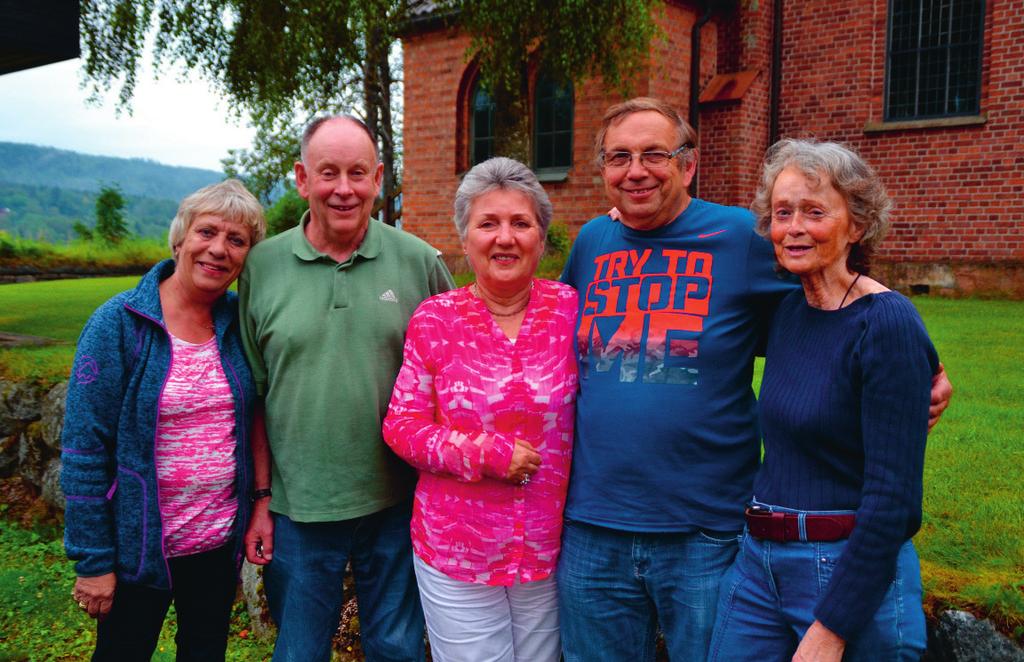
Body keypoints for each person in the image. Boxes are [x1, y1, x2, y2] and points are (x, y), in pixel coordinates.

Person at [556, 97, 952, 661]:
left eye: (654, 155)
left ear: (688, 166)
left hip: (705, 533)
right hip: (593, 526)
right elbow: (551, 340)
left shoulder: (743, 238)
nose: (635, 170)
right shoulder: (593, 243)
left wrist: (926, 365)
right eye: (619, 157)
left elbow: (842, 289)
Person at [707, 139, 937, 661]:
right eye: (782, 213)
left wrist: (832, 628)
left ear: (856, 225)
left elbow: (893, 502)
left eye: (815, 212)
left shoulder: (887, 324)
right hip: (759, 562)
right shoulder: (789, 311)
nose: (794, 228)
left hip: (846, 567)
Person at [239, 115, 454, 662]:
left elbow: (457, 379)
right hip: (299, 507)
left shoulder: (419, 263)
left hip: (397, 503)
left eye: (357, 172)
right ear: (301, 178)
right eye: (327, 172)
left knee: (397, 648)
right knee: (299, 652)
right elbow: (255, 396)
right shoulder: (260, 268)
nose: (343, 188)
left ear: (378, 177)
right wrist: (262, 499)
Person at [61, 179, 266, 661]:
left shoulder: (238, 324)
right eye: (207, 232)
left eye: (236, 241)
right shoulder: (118, 323)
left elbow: (257, 418)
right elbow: (83, 450)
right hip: (137, 549)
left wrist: (259, 504)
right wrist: (93, 562)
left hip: (216, 544)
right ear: (179, 239)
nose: (218, 249)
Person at [383, 157, 578, 662]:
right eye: (488, 223)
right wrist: (483, 453)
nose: (505, 238)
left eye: (520, 223)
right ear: (465, 238)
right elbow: (401, 427)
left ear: (542, 236)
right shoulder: (435, 319)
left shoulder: (572, 310)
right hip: (456, 548)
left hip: (550, 544)